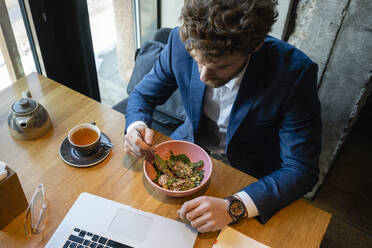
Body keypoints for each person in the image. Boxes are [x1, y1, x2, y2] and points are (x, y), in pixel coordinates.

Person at [124, 0, 321, 233]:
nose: (203, 76)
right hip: (187, 154)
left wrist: (234, 207)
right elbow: (143, 95)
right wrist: (135, 126)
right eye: (198, 61)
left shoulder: (295, 73)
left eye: (219, 67)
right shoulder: (179, 42)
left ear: (254, 47)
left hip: (251, 177)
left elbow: (301, 169)